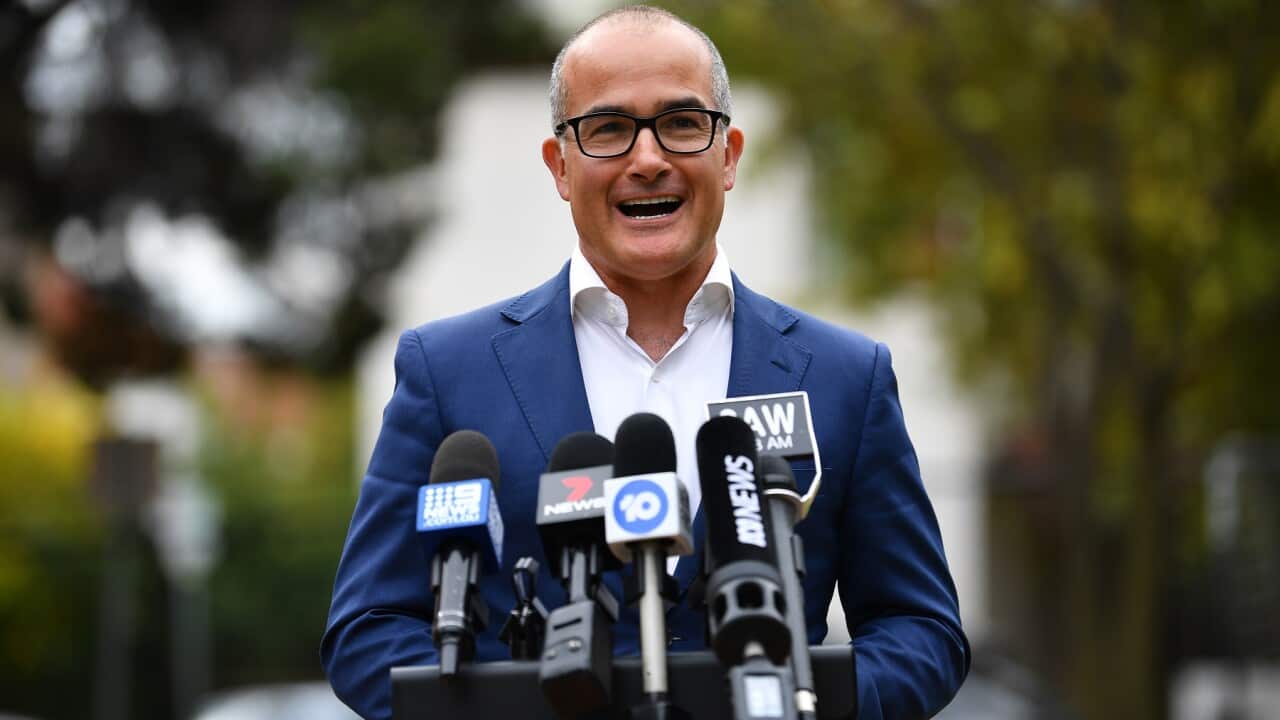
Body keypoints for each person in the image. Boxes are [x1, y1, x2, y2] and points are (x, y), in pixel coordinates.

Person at [322, 6, 969, 719]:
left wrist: (810, 705)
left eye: (682, 123)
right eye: (608, 129)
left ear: (729, 154)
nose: (649, 158)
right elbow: (369, 629)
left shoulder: (845, 376)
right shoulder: (447, 372)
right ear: (560, 166)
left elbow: (921, 630)